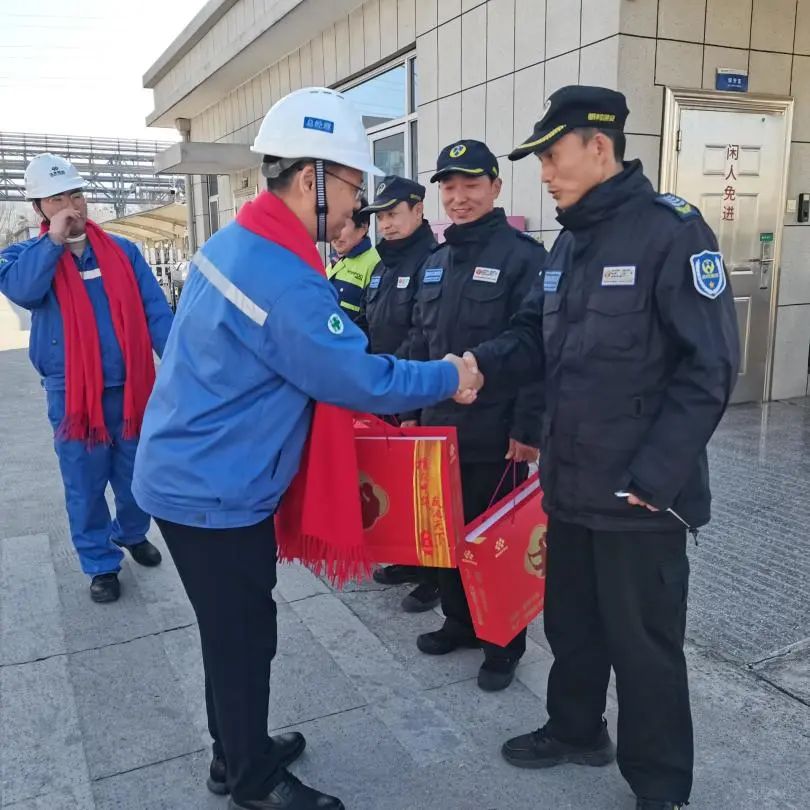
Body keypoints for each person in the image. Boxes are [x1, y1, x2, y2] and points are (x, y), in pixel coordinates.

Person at [131, 87, 479, 810]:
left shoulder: (238, 242)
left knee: (231, 632)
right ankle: (251, 779)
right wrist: (451, 374)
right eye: (351, 184)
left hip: (193, 471)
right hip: (212, 490)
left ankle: (236, 753)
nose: (358, 205)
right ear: (311, 179)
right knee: (242, 638)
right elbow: (356, 376)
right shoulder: (282, 276)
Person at [463, 86, 740, 810]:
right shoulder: (570, 242)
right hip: (573, 486)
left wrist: (655, 478)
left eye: (552, 156)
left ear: (598, 145)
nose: (544, 174)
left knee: (644, 646)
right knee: (573, 626)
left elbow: (710, 368)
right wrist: (478, 365)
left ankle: (660, 784)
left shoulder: (672, 232)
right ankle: (576, 729)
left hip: (639, 497)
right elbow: (532, 337)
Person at [403, 139, 547, 692]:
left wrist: (528, 428)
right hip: (438, 428)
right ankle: (460, 622)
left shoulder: (524, 258)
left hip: (495, 432)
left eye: (471, 185)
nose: (459, 197)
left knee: (497, 543)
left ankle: (503, 643)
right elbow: (421, 342)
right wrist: (411, 411)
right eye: (449, 186)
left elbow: (538, 348)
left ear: (495, 188)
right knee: (445, 536)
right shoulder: (436, 262)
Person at [0, 153, 172, 603]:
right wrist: (53, 243)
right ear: (38, 208)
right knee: (85, 483)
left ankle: (131, 532)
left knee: (137, 476)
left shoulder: (122, 252)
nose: (71, 206)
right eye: (56, 199)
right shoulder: (23, 257)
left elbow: (156, 312)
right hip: (72, 394)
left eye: (76, 194)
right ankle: (100, 563)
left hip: (130, 388)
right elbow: (23, 291)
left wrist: (180, 366)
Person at [356, 175, 442, 613]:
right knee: (394, 483)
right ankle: (408, 558)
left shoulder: (432, 261)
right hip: (382, 392)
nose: (386, 224)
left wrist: (404, 395)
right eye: (381, 217)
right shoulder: (383, 265)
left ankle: (434, 576)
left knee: (425, 489)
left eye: (393, 214)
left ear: (418, 210)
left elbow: (423, 334)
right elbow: (370, 326)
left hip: (411, 392)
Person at [326, 201, 379, 320]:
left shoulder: (376, 265)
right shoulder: (335, 259)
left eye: (342, 226)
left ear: (363, 227)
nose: (334, 234)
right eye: (331, 225)